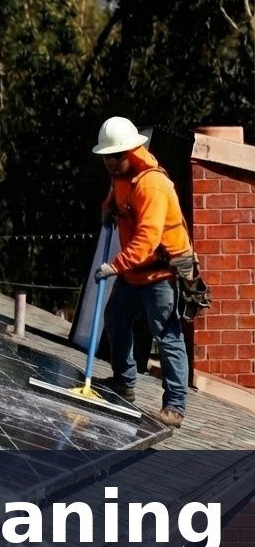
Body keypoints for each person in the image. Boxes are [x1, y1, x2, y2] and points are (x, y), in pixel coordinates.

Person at [91, 116, 192, 428]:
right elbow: (116, 196)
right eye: (106, 156)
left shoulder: (151, 185)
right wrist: (107, 207)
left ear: (131, 152)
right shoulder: (121, 174)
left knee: (167, 335)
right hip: (134, 271)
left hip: (160, 273)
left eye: (115, 155)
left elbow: (148, 239)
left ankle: (175, 406)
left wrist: (114, 266)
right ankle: (123, 382)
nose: (110, 161)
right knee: (116, 319)